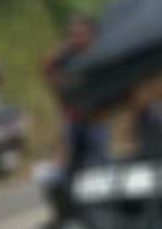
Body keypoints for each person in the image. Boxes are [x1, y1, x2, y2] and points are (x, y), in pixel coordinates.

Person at [43, 16, 106, 174]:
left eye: (81, 35)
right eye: (72, 35)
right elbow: (48, 70)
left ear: (92, 35)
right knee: (72, 164)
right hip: (73, 117)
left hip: (97, 116)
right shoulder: (66, 55)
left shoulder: (100, 54)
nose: (76, 39)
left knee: (97, 161)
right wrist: (61, 92)